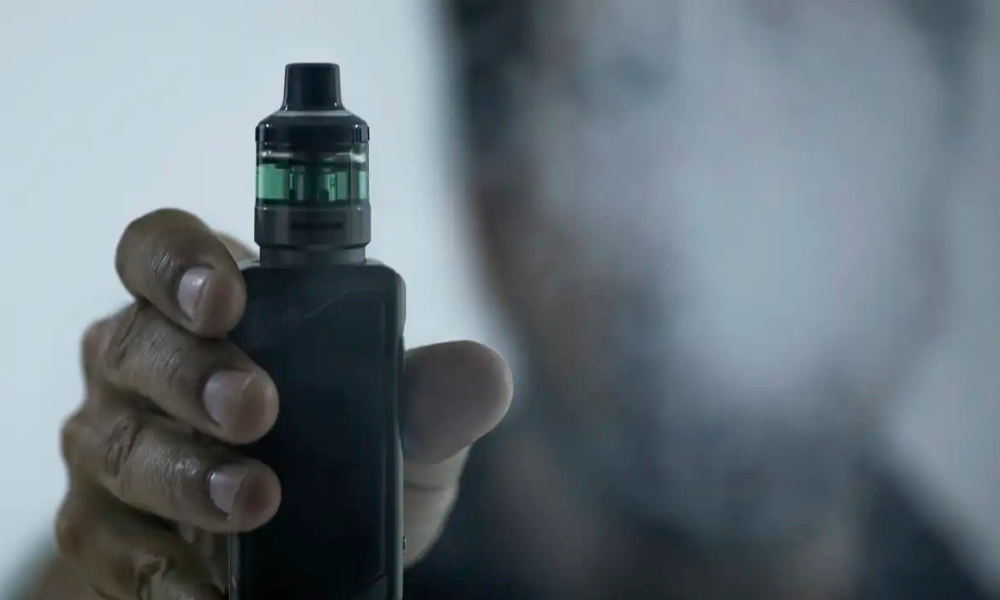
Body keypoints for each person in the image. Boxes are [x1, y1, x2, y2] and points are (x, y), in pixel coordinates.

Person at [13, 1, 997, 599]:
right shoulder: (318, 542)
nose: (754, 191)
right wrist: (112, 580)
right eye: (639, 88)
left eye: (823, 102)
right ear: (496, 204)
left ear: (931, 205)